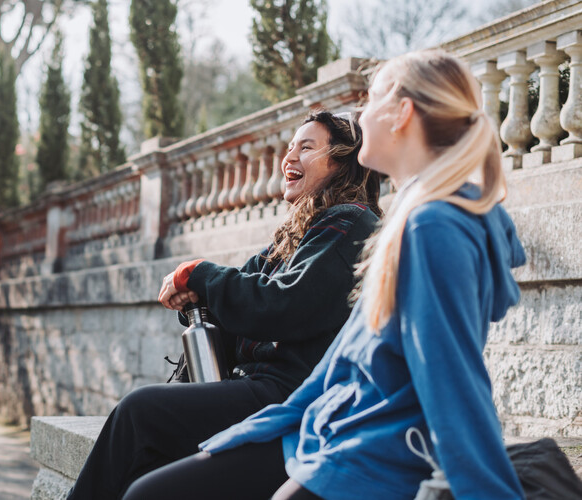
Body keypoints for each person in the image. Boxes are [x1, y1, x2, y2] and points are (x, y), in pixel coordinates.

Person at [122, 50, 527, 500]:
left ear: (403, 114)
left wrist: (485, 490)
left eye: (371, 101)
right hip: (335, 431)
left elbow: (452, 376)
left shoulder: (432, 226)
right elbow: (344, 360)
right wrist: (271, 423)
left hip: (371, 450)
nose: (360, 114)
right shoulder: (413, 218)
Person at [67, 110, 383, 500]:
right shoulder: (302, 230)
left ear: (341, 161)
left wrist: (200, 276)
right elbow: (245, 284)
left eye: (306, 147)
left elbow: (278, 304)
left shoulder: (349, 223)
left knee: (139, 412)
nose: (289, 158)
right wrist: (197, 294)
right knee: (147, 461)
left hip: (288, 394)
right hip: (255, 385)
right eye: (288, 148)